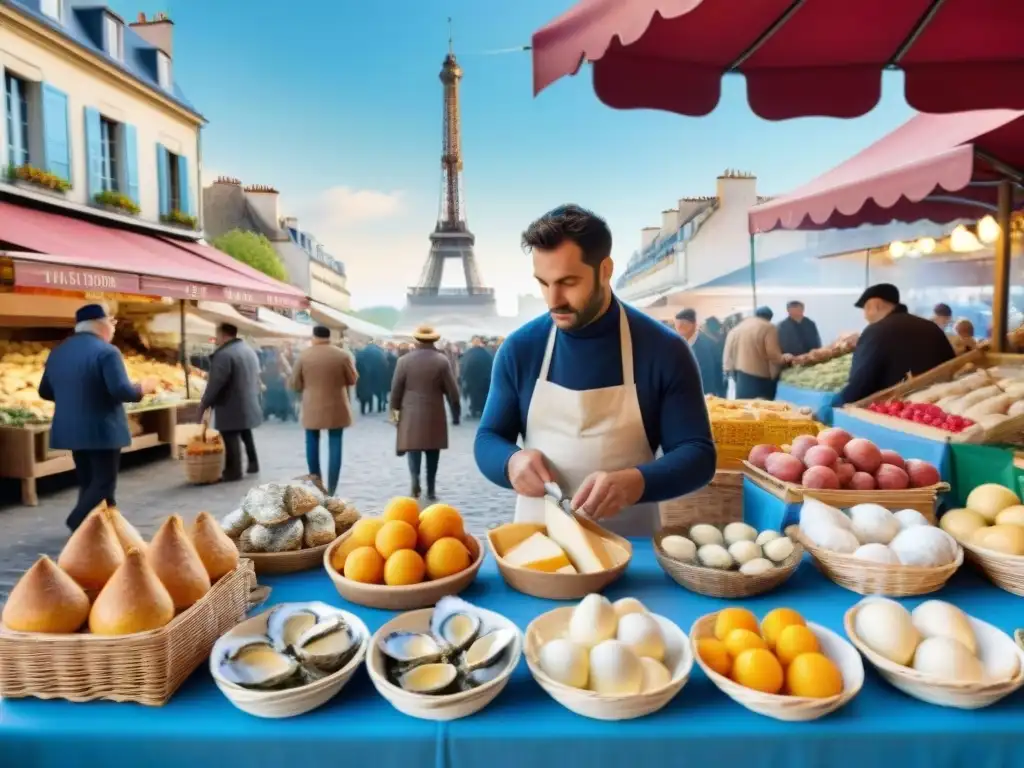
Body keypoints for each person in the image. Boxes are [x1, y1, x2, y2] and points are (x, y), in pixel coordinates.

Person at [473, 205, 716, 537]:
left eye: (568, 282)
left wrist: (638, 482)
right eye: (543, 283)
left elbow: (697, 454)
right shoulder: (520, 348)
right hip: (538, 544)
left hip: (631, 544)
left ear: (605, 269)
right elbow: (489, 438)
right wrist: (510, 462)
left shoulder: (664, 350)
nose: (553, 299)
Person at [38, 304, 158, 532]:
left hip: (70, 429)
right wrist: (143, 387)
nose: (113, 328)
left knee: (88, 481)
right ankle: (76, 521)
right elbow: (121, 391)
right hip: (102, 429)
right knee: (103, 484)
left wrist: (72, 398)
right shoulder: (107, 352)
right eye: (111, 322)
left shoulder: (58, 351)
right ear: (100, 324)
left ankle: (101, 530)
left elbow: (44, 391)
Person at [835, 284, 956, 406]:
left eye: (866, 308)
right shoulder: (931, 327)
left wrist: (840, 403)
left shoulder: (876, 331)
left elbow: (860, 383)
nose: (865, 316)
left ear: (877, 305)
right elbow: (952, 367)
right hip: (939, 407)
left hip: (893, 410)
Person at [390, 325, 461, 500]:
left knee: (413, 449)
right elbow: (453, 392)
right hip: (434, 412)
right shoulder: (441, 361)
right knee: (432, 452)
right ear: (434, 340)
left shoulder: (403, 361)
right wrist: (456, 413)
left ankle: (415, 481)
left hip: (410, 412)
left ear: (416, 340)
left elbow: (396, 391)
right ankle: (431, 488)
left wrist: (394, 416)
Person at [291, 325, 358, 495]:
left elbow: (295, 384)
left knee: (311, 443)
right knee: (336, 444)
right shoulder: (342, 355)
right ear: (330, 337)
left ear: (314, 337)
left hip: (312, 407)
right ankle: (333, 487)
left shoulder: (304, 356)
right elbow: (352, 379)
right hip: (337, 406)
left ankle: (317, 485)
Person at [199, 323, 263, 481]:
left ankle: (233, 471)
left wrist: (205, 403)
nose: (216, 340)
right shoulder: (248, 350)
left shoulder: (224, 354)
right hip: (248, 398)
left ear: (222, 335)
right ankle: (253, 464)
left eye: (217, 336)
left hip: (230, 402)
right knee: (245, 430)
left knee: (230, 434)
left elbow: (216, 383)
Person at [723, 307, 790, 400]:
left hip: (739, 376)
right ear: (770, 317)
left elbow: (727, 352)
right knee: (761, 409)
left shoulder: (738, 327)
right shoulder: (768, 327)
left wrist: (728, 370)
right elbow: (773, 355)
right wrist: (784, 358)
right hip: (759, 378)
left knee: (743, 407)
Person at [673, 308, 724, 396]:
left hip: (704, 394)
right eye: (677, 324)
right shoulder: (682, 342)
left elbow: (707, 374)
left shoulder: (704, 344)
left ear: (692, 325)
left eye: (682, 323)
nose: (679, 327)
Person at [459, 336, 494, 418]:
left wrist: (462, 378)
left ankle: (473, 410)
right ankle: (481, 410)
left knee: (472, 395)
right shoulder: (486, 353)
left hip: (471, 379)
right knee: (482, 394)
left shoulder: (468, 353)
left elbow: (463, 366)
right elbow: (491, 365)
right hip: (484, 379)